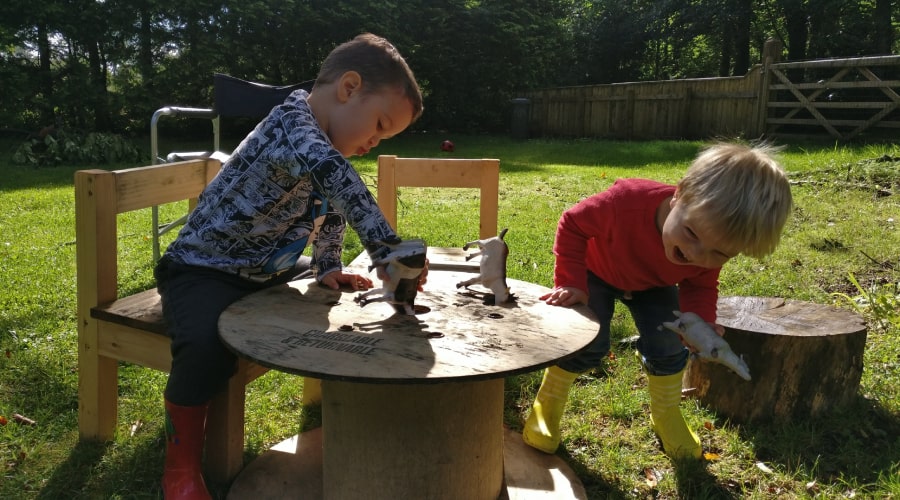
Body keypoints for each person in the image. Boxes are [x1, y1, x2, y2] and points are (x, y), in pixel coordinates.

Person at [154, 33, 424, 499]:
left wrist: (325, 265)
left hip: (265, 268)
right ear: (349, 87)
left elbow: (333, 204)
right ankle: (179, 468)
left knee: (342, 299)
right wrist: (384, 246)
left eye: (384, 137)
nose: (374, 142)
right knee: (203, 345)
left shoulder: (324, 145)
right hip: (203, 268)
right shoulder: (292, 127)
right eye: (378, 124)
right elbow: (340, 180)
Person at [522, 143, 792, 460]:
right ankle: (550, 399)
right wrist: (571, 282)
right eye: (691, 233)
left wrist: (698, 323)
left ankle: (666, 412)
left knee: (668, 345)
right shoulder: (624, 203)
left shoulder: (708, 241)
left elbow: (701, 285)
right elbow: (572, 224)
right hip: (596, 273)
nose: (696, 255)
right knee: (588, 340)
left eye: (718, 254)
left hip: (652, 285)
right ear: (679, 195)